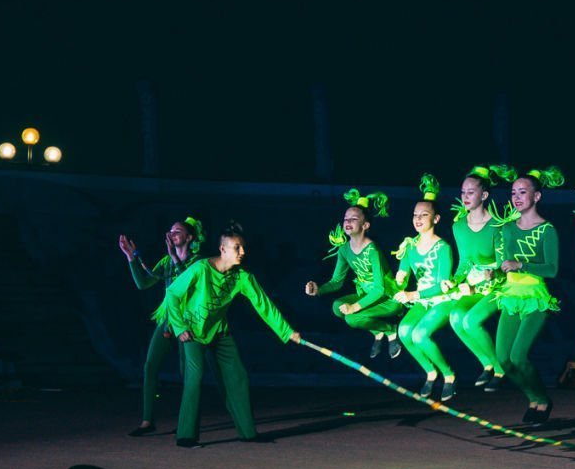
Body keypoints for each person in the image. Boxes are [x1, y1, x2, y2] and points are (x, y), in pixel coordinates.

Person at [155, 221, 301, 447]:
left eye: (243, 248)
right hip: (192, 332)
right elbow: (172, 293)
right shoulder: (201, 269)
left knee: (238, 376)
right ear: (223, 249)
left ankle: (248, 433)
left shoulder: (242, 277)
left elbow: (263, 305)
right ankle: (186, 435)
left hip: (219, 332)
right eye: (236, 248)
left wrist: (287, 332)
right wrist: (180, 326)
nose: (242, 252)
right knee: (195, 377)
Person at [118, 215, 205, 436]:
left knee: (187, 372)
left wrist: (175, 259)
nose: (171, 234)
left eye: (177, 231)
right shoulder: (167, 261)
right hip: (168, 320)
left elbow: (189, 285)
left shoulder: (198, 262)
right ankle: (147, 421)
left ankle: (188, 421)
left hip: (188, 321)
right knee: (150, 366)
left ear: (189, 237)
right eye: (170, 231)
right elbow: (143, 283)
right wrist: (131, 257)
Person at [492, 168, 563, 427]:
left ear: (537, 196)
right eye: (513, 193)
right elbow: (503, 264)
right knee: (503, 359)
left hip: (535, 297)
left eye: (523, 192)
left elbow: (552, 269)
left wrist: (521, 265)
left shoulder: (547, 230)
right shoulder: (507, 229)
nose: (517, 197)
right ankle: (533, 398)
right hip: (511, 296)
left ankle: (542, 400)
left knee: (519, 356)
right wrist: (493, 273)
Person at [303, 190, 404, 358]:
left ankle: (391, 330)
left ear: (365, 225)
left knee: (352, 318)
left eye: (354, 219)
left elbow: (379, 289)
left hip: (387, 299)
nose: (348, 222)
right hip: (366, 296)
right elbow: (336, 281)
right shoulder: (344, 250)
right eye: (345, 219)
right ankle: (379, 332)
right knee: (337, 307)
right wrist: (319, 289)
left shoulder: (373, 250)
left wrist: (354, 307)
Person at [392, 176, 459, 399]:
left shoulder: (443, 247)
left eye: (424, 215)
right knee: (404, 331)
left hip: (442, 299)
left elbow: (443, 286)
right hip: (421, 299)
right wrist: (397, 282)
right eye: (415, 215)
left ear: (436, 218)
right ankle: (430, 372)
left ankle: (449, 375)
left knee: (420, 334)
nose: (418, 219)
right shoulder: (409, 246)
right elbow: (402, 276)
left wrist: (412, 294)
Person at [447, 164, 513, 389]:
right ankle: (487, 364)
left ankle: (500, 368)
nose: (465, 197)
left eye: (471, 192)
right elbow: (465, 262)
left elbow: (504, 266)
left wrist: (493, 274)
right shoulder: (458, 226)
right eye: (463, 192)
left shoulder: (498, 225)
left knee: (471, 320)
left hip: (499, 285)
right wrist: (454, 280)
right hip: (476, 284)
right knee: (456, 317)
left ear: (484, 195)